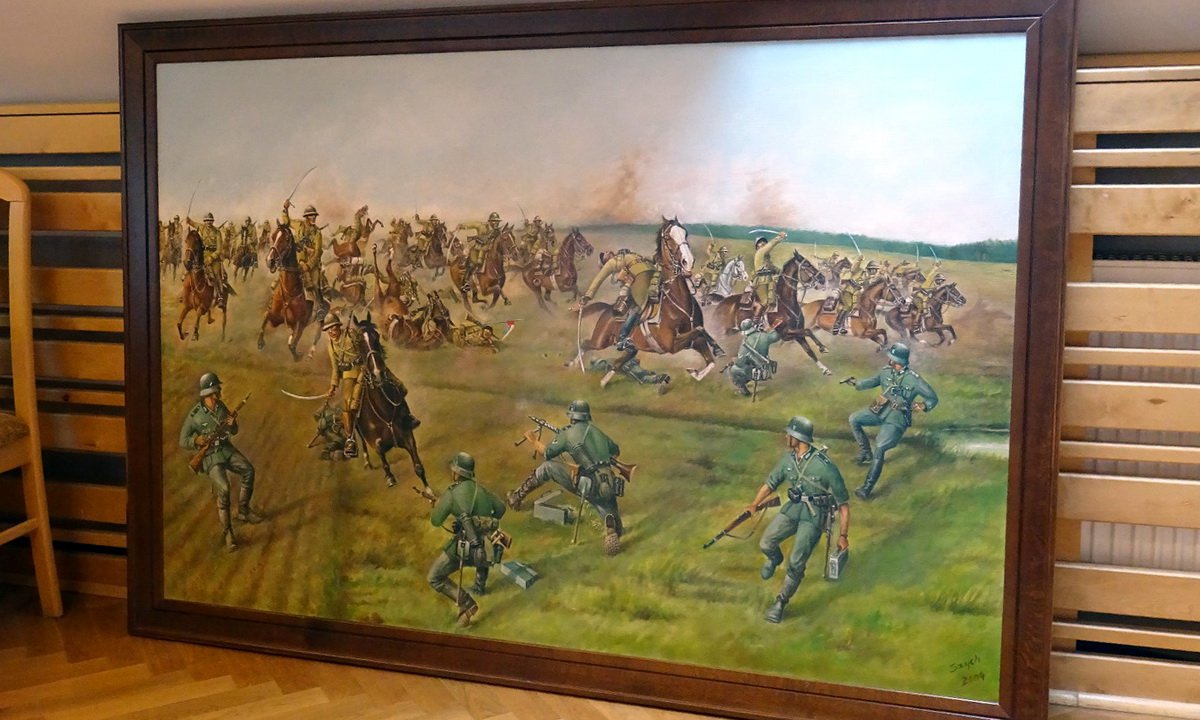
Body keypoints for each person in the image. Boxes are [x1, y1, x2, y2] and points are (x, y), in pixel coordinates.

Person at [744, 416, 849, 623]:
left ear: (798, 437)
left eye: (789, 434)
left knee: (796, 561)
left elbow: (843, 505)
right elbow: (770, 484)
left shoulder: (824, 466)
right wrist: (755, 504)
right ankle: (774, 559)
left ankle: (781, 602)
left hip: (814, 515)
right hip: (793, 509)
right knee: (766, 542)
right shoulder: (788, 460)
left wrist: (843, 535)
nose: (786, 437)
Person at [507, 400, 628, 555]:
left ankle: (517, 497)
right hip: (609, 481)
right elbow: (615, 452)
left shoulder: (568, 433)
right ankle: (612, 526)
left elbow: (547, 453)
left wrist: (533, 440)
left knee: (548, 467)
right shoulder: (597, 431)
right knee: (605, 503)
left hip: (588, 483)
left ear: (572, 417)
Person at [177, 372, 262, 551]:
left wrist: (232, 424)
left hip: (225, 449)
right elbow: (183, 440)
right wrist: (197, 440)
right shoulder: (195, 415)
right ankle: (228, 532)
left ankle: (243, 511)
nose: (218, 395)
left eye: (217, 392)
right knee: (224, 488)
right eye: (215, 392)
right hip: (210, 456)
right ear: (207, 394)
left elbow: (234, 431)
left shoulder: (221, 407)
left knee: (248, 470)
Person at [845, 342, 939, 500]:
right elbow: (873, 381)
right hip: (880, 408)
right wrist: (856, 383)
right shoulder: (886, 371)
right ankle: (865, 452)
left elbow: (932, 399)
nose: (889, 361)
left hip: (897, 417)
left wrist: (920, 406)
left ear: (900, 361)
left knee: (880, 447)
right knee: (854, 419)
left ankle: (867, 488)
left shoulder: (914, 380)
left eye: (893, 359)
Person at [428, 452, 507, 627]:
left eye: (453, 470)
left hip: (464, 548)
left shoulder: (452, 493)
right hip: (486, 549)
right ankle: (480, 585)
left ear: (457, 473)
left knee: (434, 577)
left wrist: (437, 505)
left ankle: (466, 603)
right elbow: (501, 509)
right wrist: (483, 522)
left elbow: (436, 520)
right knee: (481, 544)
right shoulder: (482, 490)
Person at [579, 248, 658, 353]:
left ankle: (624, 337)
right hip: (646, 275)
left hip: (652, 274)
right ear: (605, 262)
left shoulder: (628, 256)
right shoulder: (613, 262)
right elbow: (599, 278)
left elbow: (650, 259)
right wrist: (587, 296)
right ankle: (623, 337)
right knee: (638, 306)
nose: (606, 252)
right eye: (603, 256)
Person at [324, 312, 364, 458]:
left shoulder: (351, 335)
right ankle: (350, 439)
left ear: (338, 327)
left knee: (356, 401)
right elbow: (335, 368)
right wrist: (333, 386)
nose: (331, 332)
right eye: (328, 329)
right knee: (346, 405)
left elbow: (364, 351)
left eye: (333, 328)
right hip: (348, 374)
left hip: (363, 370)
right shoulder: (331, 346)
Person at [281, 200, 325, 309]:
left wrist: (308, 265)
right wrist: (285, 209)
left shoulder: (317, 233)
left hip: (312, 264)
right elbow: (287, 222)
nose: (313, 217)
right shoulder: (299, 224)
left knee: (315, 284)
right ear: (306, 217)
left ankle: (320, 306)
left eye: (314, 215)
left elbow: (317, 252)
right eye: (311, 215)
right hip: (297, 260)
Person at [728, 318, 783, 397]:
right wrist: (770, 329)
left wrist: (734, 361)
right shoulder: (764, 336)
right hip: (766, 370)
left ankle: (744, 391)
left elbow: (740, 363)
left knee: (732, 370)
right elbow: (776, 337)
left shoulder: (745, 342)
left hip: (754, 373)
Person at [186, 211, 229, 309]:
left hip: (215, 258)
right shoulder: (202, 227)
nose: (208, 222)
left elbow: (219, 249)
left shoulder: (217, 232)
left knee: (217, 275)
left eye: (210, 221)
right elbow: (193, 223)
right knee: (191, 269)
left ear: (212, 221)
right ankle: (186, 291)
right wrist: (188, 220)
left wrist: (211, 257)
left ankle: (220, 297)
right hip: (203, 255)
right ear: (204, 221)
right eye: (206, 221)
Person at [751, 231, 786, 318]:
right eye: (760, 242)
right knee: (765, 302)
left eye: (764, 242)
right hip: (761, 281)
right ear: (757, 246)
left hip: (770, 280)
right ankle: (755, 321)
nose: (763, 243)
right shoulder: (760, 252)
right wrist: (780, 237)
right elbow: (770, 245)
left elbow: (773, 268)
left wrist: (784, 272)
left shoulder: (766, 259)